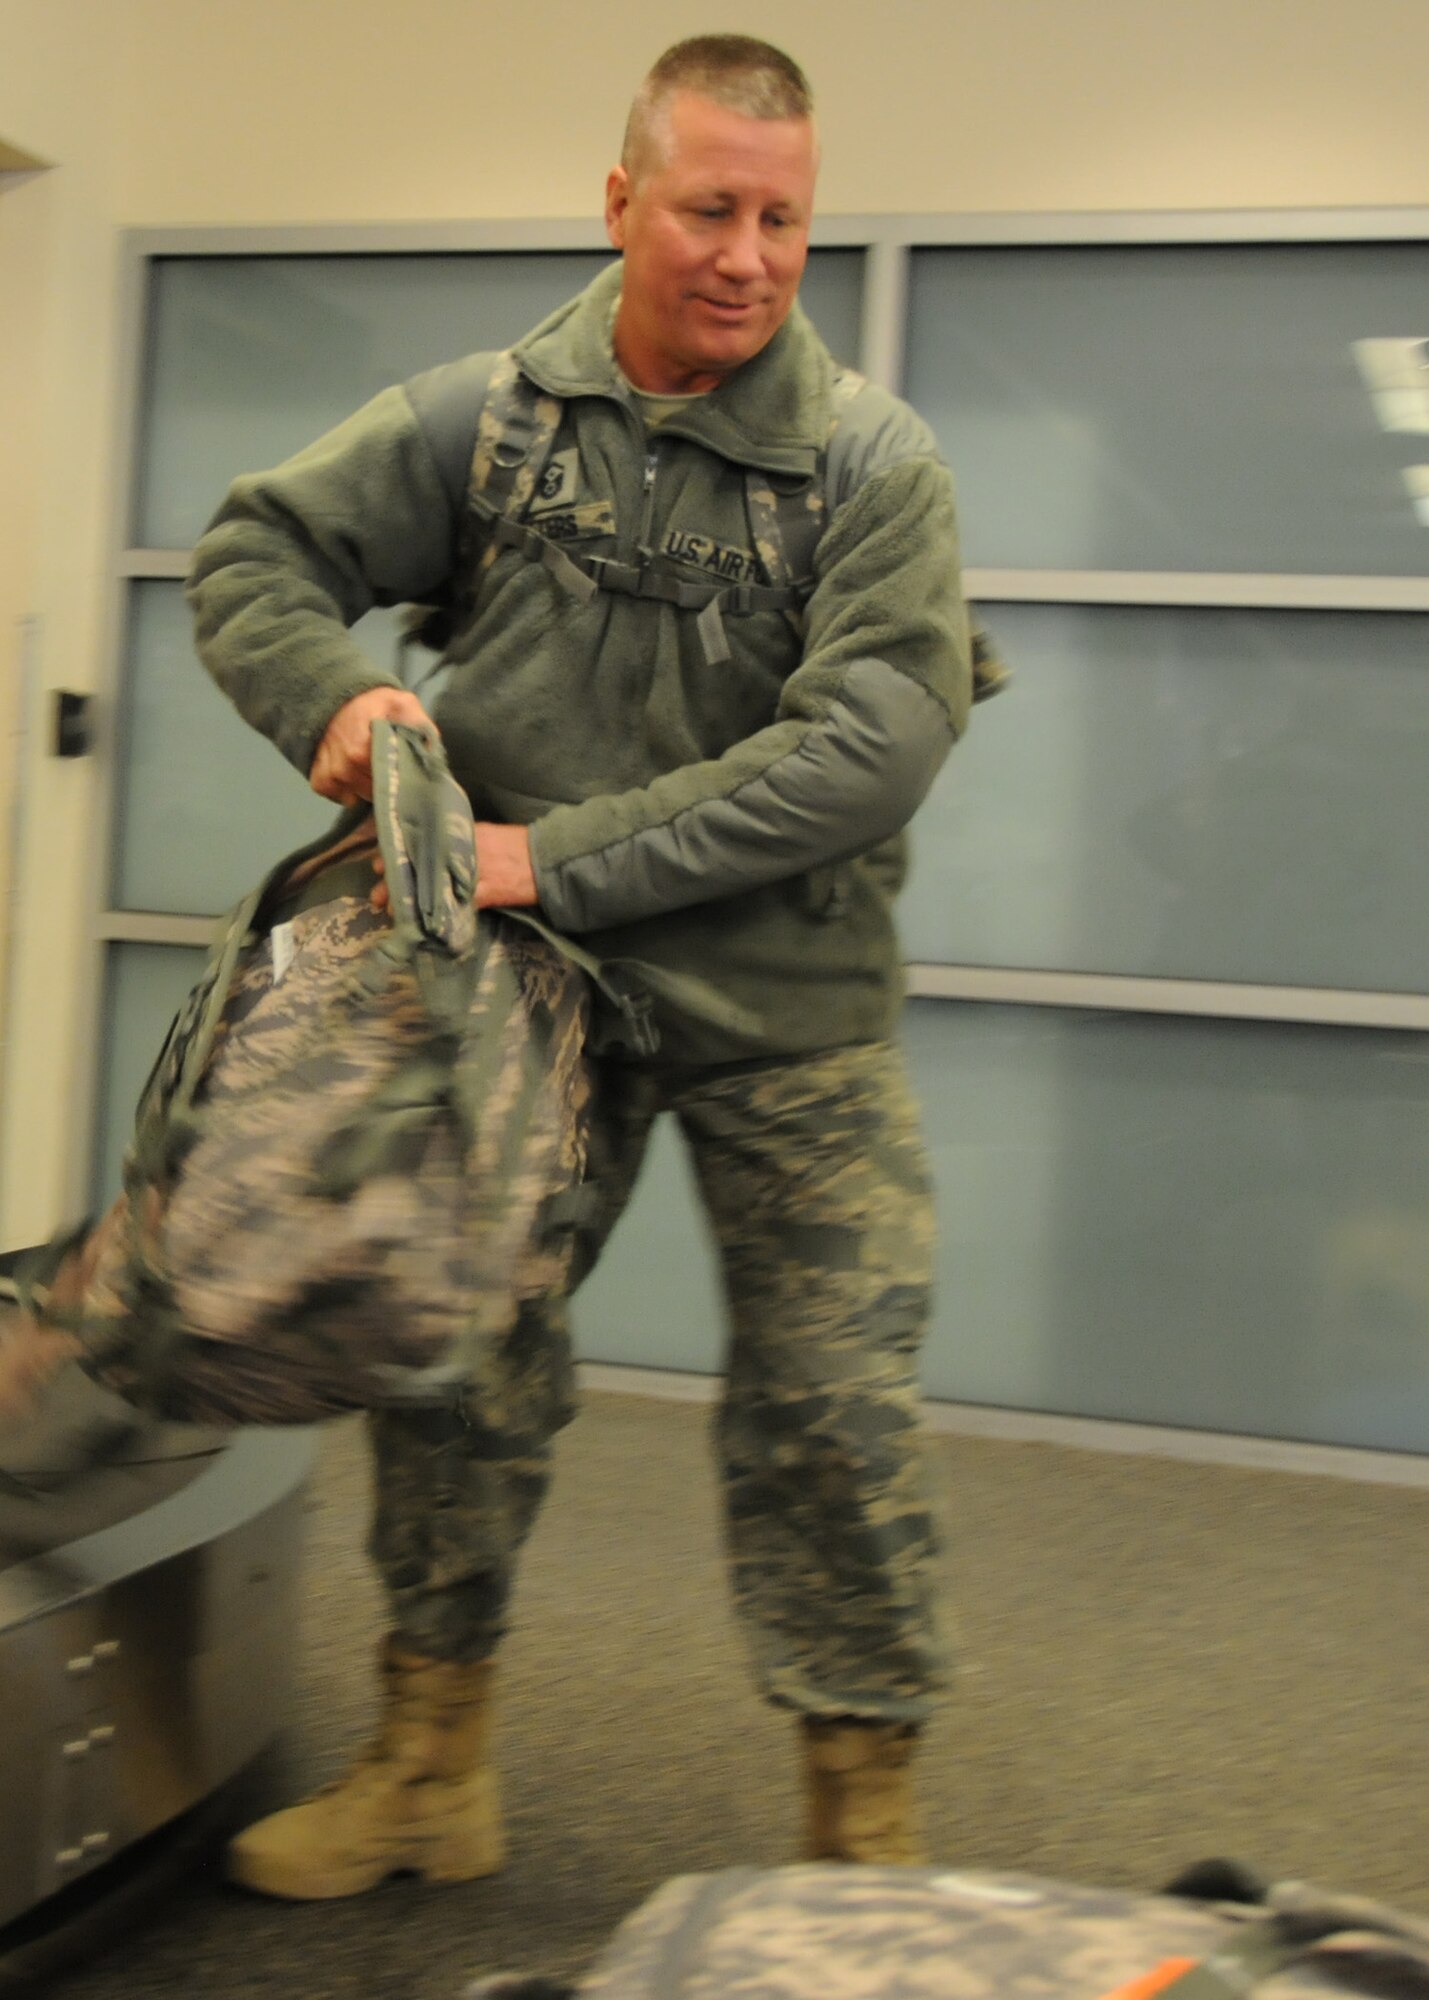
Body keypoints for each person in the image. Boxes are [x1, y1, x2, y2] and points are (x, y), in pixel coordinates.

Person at [186, 34, 974, 1900]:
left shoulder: (870, 463)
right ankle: (428, 1770)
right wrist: (343, 696)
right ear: (620, 199)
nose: (749, 255)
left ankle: (858, 1850)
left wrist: (558, 855)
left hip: (790, 1017)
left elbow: (872, 742)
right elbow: (258, 548)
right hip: (531, 1008)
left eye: (784, 217)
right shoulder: (489, 421)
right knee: (456, 1366)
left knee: (834, 1408)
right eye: (710, 208)